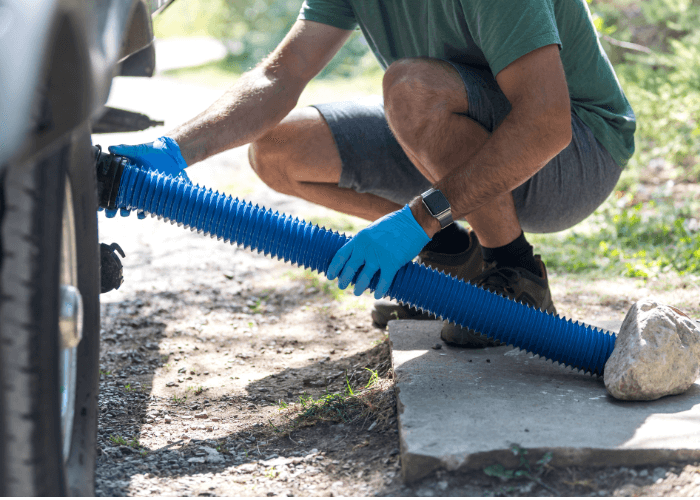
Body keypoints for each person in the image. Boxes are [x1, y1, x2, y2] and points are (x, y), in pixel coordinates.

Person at [107, 0, 635, 347]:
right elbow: (280, 73)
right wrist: (173, 149)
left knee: (411, 87)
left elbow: (545, 125)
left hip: (576, 156)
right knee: (277, 149)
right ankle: (454, 259)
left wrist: (418, 218)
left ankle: (513, 271)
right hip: (457, 130)